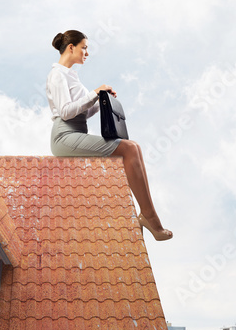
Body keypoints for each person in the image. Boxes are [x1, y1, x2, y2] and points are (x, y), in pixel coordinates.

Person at [46, 30, 172, 241]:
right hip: (64, 136)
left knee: (134, 147)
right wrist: (94, 93)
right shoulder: (57, 75)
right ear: (71, 48)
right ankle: (149, 217)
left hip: (76, 131)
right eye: (84, 47)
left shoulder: (70, 76)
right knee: (129, 149)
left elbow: (82, 112)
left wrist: (101, 100)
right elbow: (66, 111)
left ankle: (146, 215)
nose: (86, 52)